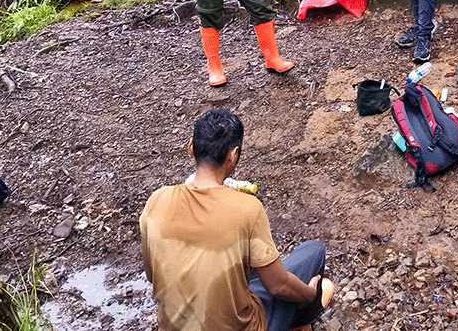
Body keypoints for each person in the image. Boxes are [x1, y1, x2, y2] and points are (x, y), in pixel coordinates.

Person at [141, 109, 334, 331]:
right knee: (313, 252)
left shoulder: (157, 200)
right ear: (233, 155)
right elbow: (278, 286)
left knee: (246, 268)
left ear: (191, 146)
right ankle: (299, 321)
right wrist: (309, 293)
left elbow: (151, 274)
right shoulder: (248, 209)